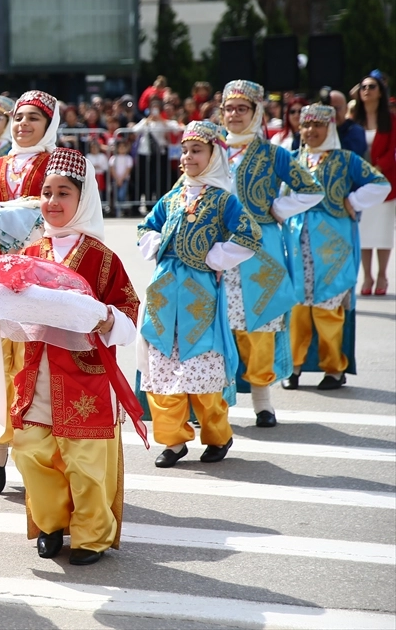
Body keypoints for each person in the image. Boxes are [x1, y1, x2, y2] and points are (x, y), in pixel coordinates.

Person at [8, 147, 145, 566]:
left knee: (85, 461)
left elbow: (128, 313)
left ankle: (91, 534)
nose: (51, 202)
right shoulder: (30, 253)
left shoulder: (101, 257)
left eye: (62, 193)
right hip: (37, 370)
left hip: (85, 373)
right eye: (46, 192)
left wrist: (105, 319)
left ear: (82, 199)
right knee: (30, 449)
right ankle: (51, 522)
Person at [138, 121, 262, 468]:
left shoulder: (224, 200)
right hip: (164, 292)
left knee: (201, 367)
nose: (188, 156)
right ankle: (173, 441)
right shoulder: (173, 196)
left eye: (196, 150)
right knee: (161, 364)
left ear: (214, 155)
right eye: (184, 150)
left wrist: (214, 256)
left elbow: (249, 236)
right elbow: (145, 226)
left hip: (200, 293)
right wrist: (157, 242)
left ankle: (218, 435)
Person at [0, 90, 61, 495]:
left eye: (33, 119)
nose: (22, 124)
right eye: (18, 117)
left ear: (49, 125)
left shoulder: (57, 167)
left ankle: (33, 451)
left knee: (34, 365)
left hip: (40, 276)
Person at [219, 81, 322, 426]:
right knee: (220, 324)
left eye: (242, 109)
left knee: (260, 322)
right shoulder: (211, 149)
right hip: (219, 249)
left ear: (256, 112)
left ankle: (263, 401)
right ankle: (217, 403)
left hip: (262, 249)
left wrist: (279, 207)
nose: (234, 115)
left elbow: (311, 188)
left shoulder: (273, 152)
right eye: (229, 109)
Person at [283, 105, 390, 389]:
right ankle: (292, 367)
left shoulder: (346, 160)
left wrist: (352, 201)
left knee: (327, 308)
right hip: (297, 246)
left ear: (330, 128)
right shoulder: (294, 159)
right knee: (297, 309)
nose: (311, 131)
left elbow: (381, 185)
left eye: (318, 125)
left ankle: (333, 369)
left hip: (334, 247)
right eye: (306, 125)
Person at [352, 76, 396, 296]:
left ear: (381, 92)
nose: (367, 90)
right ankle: (367, 275)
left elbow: (392, 151)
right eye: (364, 87)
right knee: (365, 233)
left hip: (385, 183)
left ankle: (382, 275)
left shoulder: (390, 119)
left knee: (383, 232)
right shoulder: (354, 119)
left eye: (372, 86)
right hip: (360, 184)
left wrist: (375, 168)